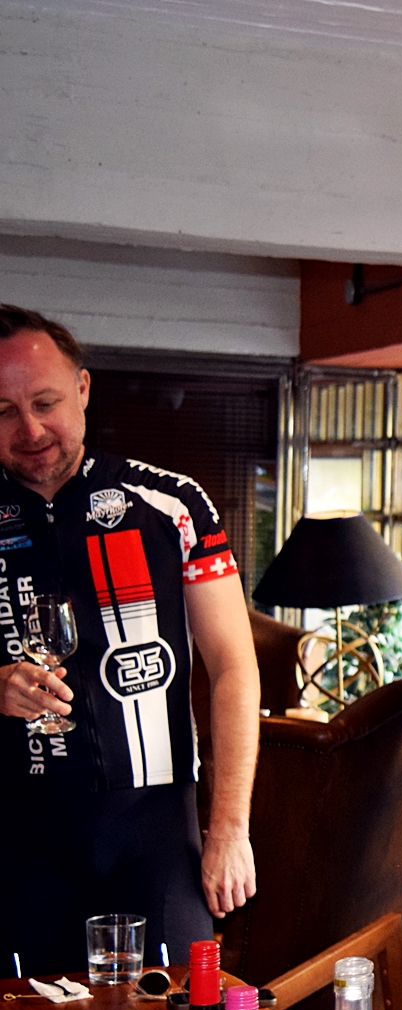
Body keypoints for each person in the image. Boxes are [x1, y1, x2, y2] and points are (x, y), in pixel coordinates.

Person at [0, 305, 259, 973]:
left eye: (45, 402)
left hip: (154, 829)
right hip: (18, 836)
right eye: (3, 411)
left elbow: (234, 667)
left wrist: (230, 827)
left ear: (83, 389)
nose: (30, 429)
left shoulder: (173, 503)